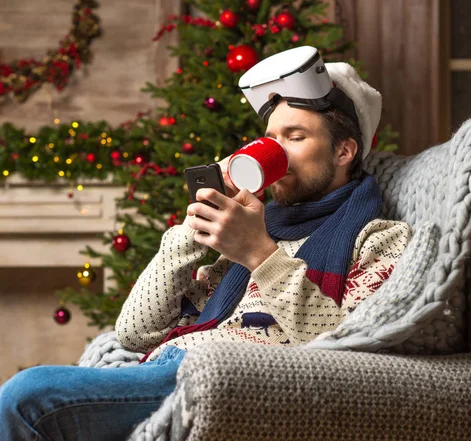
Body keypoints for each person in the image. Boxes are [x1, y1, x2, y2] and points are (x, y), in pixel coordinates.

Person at [0, 47, 412, 440]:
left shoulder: (381, 239)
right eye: (269, 137)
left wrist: (259, 255)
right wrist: (195, 231)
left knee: (27, 395)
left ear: (343, 151)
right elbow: (134, 333)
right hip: (166, 364)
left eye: (295, 136)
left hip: (223, 378)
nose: (274, 151)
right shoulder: (255, 225)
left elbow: (346, 346)